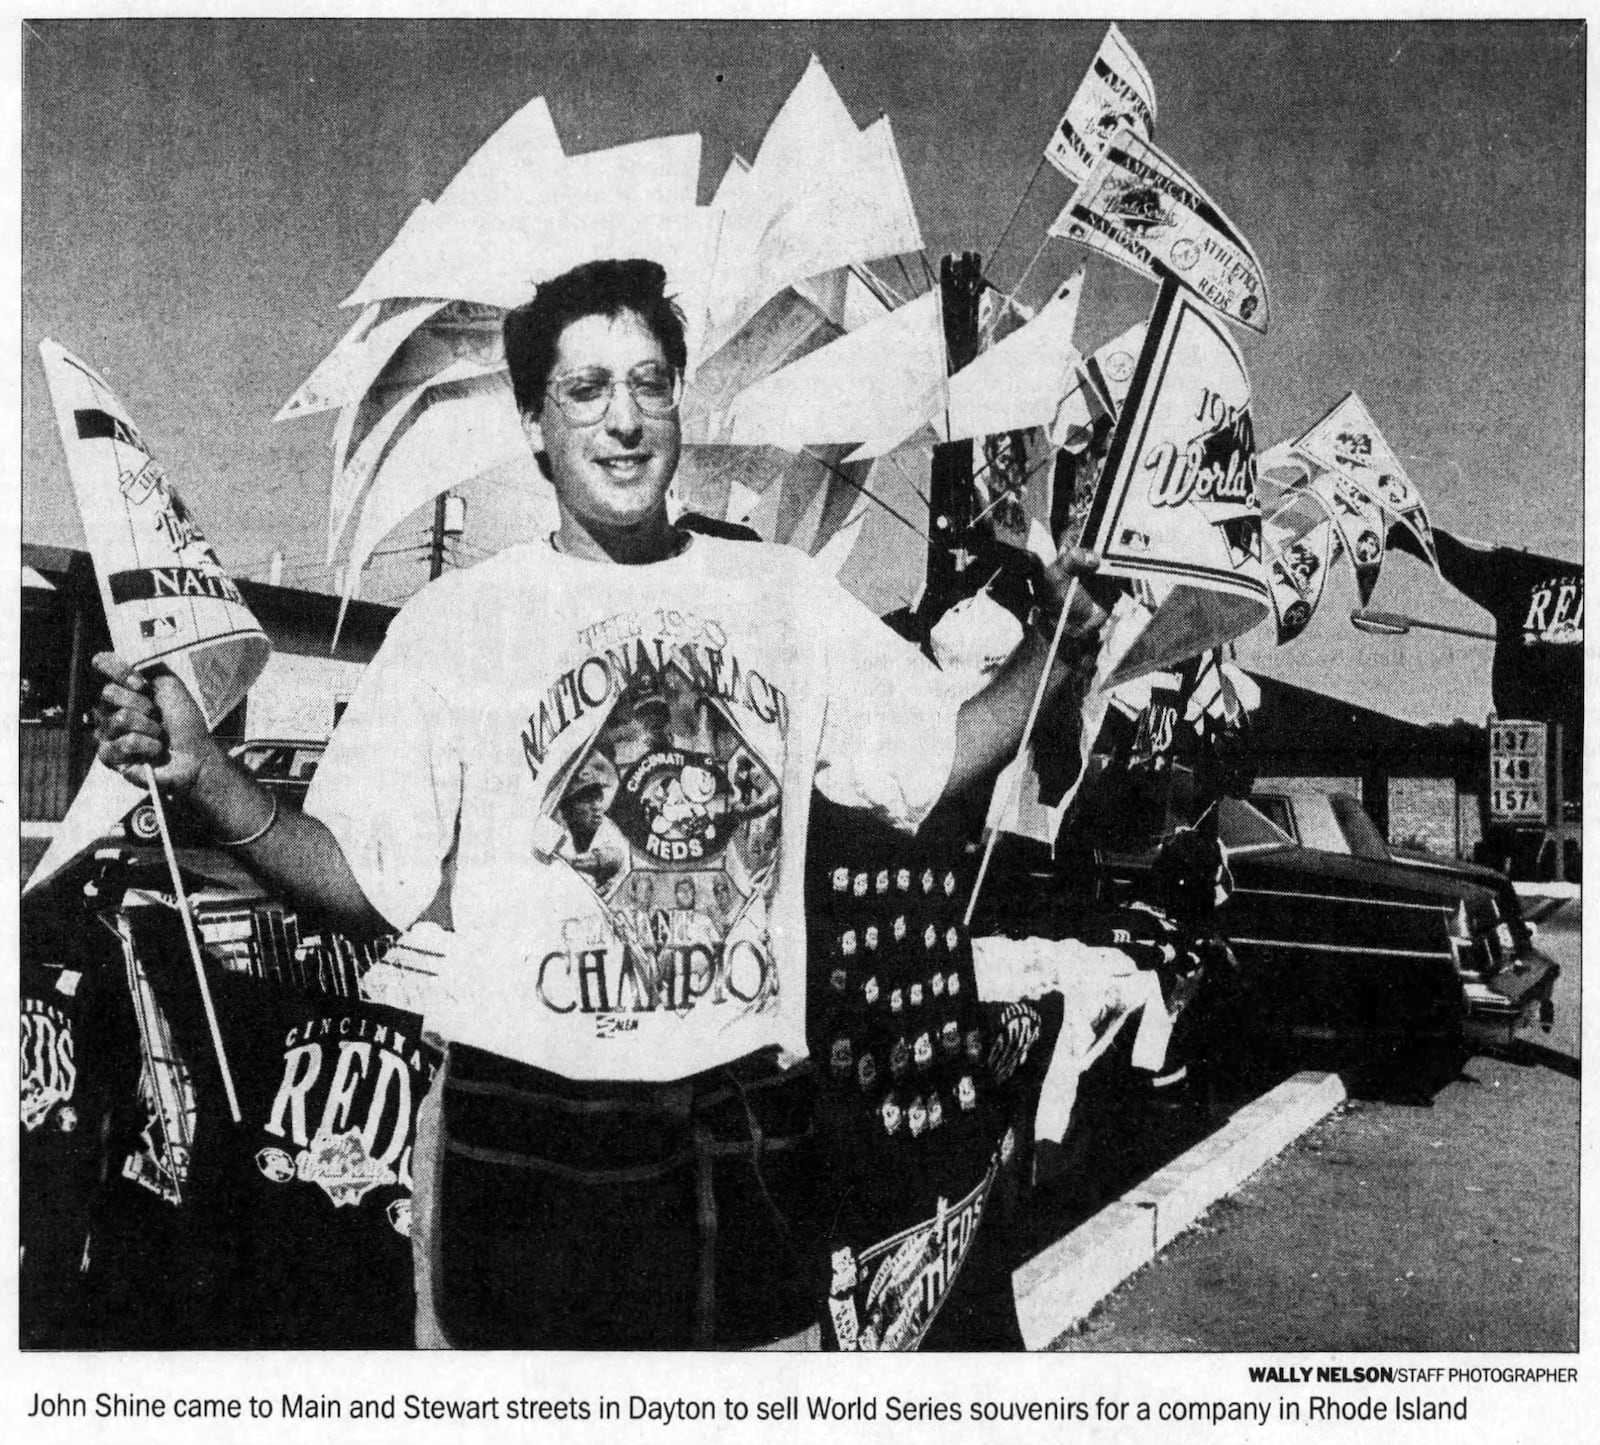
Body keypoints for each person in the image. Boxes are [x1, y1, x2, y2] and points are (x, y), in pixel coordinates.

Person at [93, 257, 1107, 1349]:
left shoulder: (780, 594)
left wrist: (1049, 655)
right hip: (525, 1144)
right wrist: (208, 777)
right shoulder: (456, 619)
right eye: (586, 390)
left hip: (742, 1138)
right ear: (534, 421)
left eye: (650, 382)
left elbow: (930, 756)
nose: (625, 420)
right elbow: (358, 874)